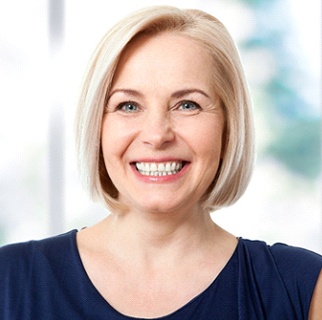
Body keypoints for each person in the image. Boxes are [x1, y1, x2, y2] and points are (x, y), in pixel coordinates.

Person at [0, 5, 321, 319]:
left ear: (229, 125)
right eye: (128, 106)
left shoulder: (304, 288)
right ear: (97, 126)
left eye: (187, 104)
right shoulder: (9, 279)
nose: (157, 135)